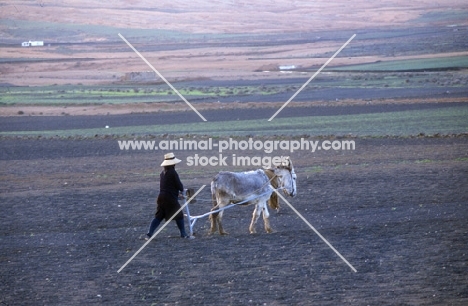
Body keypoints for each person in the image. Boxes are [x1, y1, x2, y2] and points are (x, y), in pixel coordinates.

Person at [146, 153, 192, 240]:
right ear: (173, 163)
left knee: (159, 216)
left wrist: (176, 194)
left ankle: (149, 233)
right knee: (179, 214)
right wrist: (180, 192)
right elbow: (179, 186)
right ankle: (184, 234)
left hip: (161, 197)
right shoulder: (173, 172)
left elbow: (166, 186)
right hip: (170, 198)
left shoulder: (162, 173)